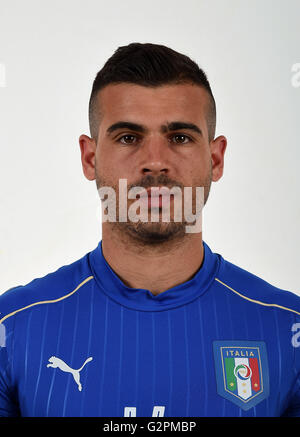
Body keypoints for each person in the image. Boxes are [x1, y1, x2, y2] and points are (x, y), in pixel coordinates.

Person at [0, 42, 299, 418]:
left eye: (180, 138)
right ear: (90, 158)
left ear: (215, 158)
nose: (155, 162)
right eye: (129, 137)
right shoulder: (11, 329)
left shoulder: (288, 328)